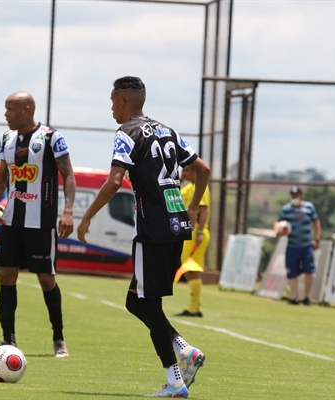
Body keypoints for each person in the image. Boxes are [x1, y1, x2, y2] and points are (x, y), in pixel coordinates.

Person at [77, 76, 210, 398]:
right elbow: (203, 170)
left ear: (122, 101)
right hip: (177, 225)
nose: (111, 109)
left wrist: (87, 216)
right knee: (136, 302)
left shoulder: (126, 133)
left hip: (153, 229)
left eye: (112, 102)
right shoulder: (169, 130)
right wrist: (192, 208)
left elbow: (114, 181)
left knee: (145, 304)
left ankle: (176, 381)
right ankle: (183, 351)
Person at [0, 91, 76, 357]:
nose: (5, 114)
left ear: (26, 110)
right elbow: (2, 177)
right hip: (11, 220)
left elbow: (68, 175)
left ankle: (59, 339)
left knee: (46, 279)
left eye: (10, 109)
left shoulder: (51, 137)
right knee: (6, 276)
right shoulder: (7, 139)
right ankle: (8, 341)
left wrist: (68, 211)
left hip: (41, 222)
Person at [274, 185, 322, 306]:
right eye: (292, 196)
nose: (294, 198)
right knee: (292, 273)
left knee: (308, 271)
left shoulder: (309, 207)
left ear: (301, 196)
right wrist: (278, 231)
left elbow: (316, 223)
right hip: (292, 245)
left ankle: (306, 297)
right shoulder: (286, 209)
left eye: (296, 195)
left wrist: (317, 239)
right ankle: (294, 297)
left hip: (307, 245)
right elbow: (278, 223)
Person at [175, 164, 210, 318]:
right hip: (189, 234)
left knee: (191, 269)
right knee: (188, 269)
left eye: (186, 170)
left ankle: (193, 309)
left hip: (196, 234)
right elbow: (175, 194)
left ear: (195, 172)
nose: (184, 172)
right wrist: (181, 180)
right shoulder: (189, 188)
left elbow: (203, 210)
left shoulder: (200, 187)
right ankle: (195, 306)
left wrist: (200, 232)